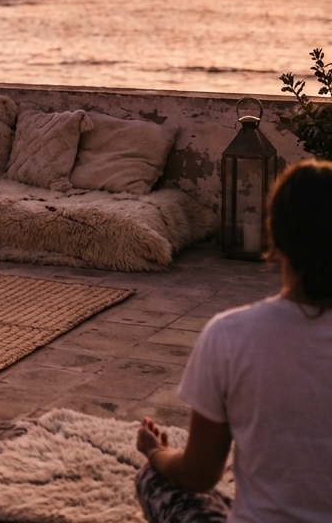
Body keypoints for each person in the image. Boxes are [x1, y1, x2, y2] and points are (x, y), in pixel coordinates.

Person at [134, 158, 332, 523]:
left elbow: (199, 475)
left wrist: (155, 454)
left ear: (276, 235)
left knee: (155, 480)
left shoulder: (230, 335)